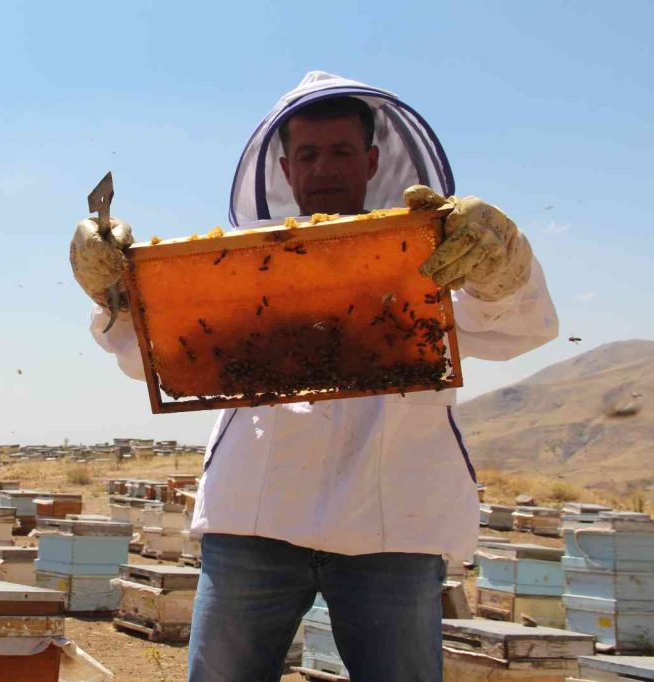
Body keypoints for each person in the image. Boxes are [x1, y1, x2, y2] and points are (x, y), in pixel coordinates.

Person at [69, 71, 558, 681]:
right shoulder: (241, 268)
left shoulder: (424, 261)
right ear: (286, 167)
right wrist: (114, 292)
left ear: (371, 159)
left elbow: (519, 326)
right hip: (255, 520)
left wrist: (502, 264)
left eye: (340, 151)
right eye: (308, 154)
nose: (324, 167)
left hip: (393, 525)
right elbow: (155, 354)